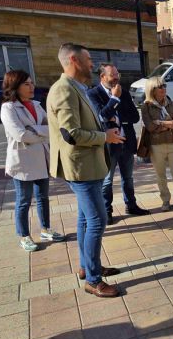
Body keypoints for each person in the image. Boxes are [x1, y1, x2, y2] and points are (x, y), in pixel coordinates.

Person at [47, 43, 123, 297]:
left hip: (87, 164)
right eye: (88, 59)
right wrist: (105, 137)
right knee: (97, 221)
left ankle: (86, 265)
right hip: (81, 166)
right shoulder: (63, 90)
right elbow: (72, 134)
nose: (92, 64)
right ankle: (92, 279)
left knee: (84, 219)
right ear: (73, 59)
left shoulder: (76, 88)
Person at [0, 70, 65, 252]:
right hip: (23, 162)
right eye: (26, 84)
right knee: (24, 200)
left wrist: (36, 130)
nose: (32, 87)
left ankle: (45, 229)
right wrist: (43, 133)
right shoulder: (8, 108)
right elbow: (20, 135)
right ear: (15, 87)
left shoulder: (36, 105)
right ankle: (24, 236)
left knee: (43, 197)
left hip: (42, 158)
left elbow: (53, 127)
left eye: (31, 83)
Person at [88, 63, 149, 225]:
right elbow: (101, 116)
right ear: (102, 77)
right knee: (107, 180)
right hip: (108, 145)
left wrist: (115, 116)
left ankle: (131, 205)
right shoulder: (93, 94)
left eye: (117, 74)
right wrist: (114, 99)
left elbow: (134, 117)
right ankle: (106, 211)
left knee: (127, 178)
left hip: (126, 142)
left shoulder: (125, 92)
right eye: (112, 75)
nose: (116, 78)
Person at [141, 76, 173, 211]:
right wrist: (167, 124)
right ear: (152, 89)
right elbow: (150, 127)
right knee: (160, 175)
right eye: (160, 87)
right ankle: (165, 201)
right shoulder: (146, 107)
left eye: (164, 86)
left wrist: (159, 122)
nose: (164, 89)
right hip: (156, 145)